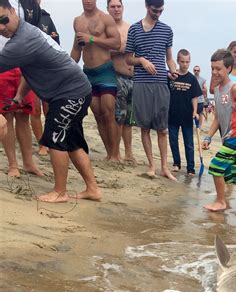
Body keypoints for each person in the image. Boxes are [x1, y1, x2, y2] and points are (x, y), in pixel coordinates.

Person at [0, 0, 101, 202]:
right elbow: (32, 69)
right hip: (76, 90)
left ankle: (60, 192)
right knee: (72, 141)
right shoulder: (26, 32)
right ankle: (93, 189)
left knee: (55, 138)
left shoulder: (22, 41)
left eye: (3, 20)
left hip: (69, 93)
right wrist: (20, 95)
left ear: (13, 11)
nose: (1, 27)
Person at [125, 0, 178, 180]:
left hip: (161, 82)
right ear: (147, 7)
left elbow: (169, 58)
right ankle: (151, 165)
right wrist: (141, 60)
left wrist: (174, 69)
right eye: (155, 10)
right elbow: (128, 59)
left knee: (162, 128)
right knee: (145, 126)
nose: (158, 14)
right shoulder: (134, 29)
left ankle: (164, 167)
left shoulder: (167, 30)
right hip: (141, 82)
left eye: (161, 11)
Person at [201, 49, 236, 217]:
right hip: (227, 138)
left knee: (216, 166)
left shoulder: (235, 88)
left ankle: (221, 201)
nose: (214, 72)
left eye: (218, 69)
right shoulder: (217, 90)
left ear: (228, 68)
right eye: (212, 69)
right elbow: (217, 117)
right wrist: (208, 136)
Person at [71, 0, 121, 162]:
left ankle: (115, 154)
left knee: (108, 112)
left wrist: (92, 39)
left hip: (105, 70)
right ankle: (109, 153)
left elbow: (116, 43)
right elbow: (77, 48)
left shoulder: (106, 18)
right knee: (98, 114)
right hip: (88, 72)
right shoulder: (78, 21)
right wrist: (70, 69)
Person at [0, 0, 42, 177]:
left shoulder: (28, 4)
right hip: (2, 63)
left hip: (24, 64)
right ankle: (12, 165)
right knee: (6, 115)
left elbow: (37, 31)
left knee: (24, 115)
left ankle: (28, 163)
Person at [30, 0, 60, 156]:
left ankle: (49, 140)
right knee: (34, 109)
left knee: (48, 107)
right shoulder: (22, 15)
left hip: (47, 70)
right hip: (29, 69)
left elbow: (57, 43)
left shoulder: (46, 17)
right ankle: (42, 144)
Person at [107, 0, 136, 163]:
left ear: (123, 8)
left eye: (118, 6)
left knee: (129, 119)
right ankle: (115, 153)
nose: (116, 9)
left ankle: (129, 153)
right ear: (108, 9)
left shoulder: (129, 28)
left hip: (133, 78)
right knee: (118, 116)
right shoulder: (107, 29)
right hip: (117, 76)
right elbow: (100, 52)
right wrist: (119, 48)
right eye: (113, 7)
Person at [168, 49, 201, 175]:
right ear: (177, 61)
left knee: (189, 143)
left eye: (187, 62)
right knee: (173, 140)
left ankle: (190, 168)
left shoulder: (192, 79)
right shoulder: (172, 76)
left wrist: (195, 111)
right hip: (172, 114)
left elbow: (195, 97)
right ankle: (176, 163)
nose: (185, 64)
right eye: (182, 61)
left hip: (187, 116)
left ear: (190, 62)